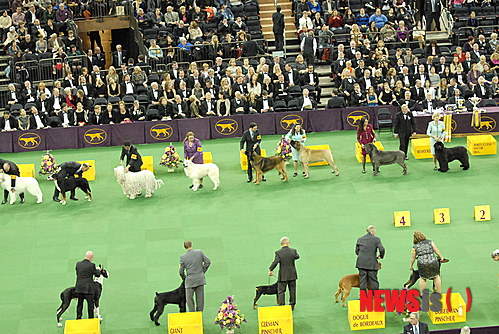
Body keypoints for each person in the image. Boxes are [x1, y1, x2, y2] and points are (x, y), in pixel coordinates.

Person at [268, 237, 300, 310]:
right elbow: (297, 256)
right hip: (292, 274)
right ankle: (292, 305)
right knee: (292, 290)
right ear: (288, 243)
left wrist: (270, 269)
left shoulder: (278, 253)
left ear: (281, 244)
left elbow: (275, 262)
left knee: (281, 291)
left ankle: (282, 305)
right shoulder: (293, 251)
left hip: (283, 275)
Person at [179, 240, 211, 312]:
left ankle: (192, 315)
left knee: (189, 300)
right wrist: (202, 271)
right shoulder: (199, 252)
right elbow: (208, 262)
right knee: (200, 300)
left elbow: (181, 271)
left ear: (184, 247)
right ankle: (199, 316)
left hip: (189, 281)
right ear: (191, 245)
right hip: (200, 279)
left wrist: (185, 278)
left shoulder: (182, 257)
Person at [355, 225, 385, 291]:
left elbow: (357, 251)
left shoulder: (360, 239)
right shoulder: (376, 239)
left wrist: (362, 256)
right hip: (372, 263)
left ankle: (363, 297)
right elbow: (382, 249)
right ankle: (376, 296)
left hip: (361, 263)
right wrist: (381, 256)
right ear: (373, 231)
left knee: (362, 281)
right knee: (373, 281)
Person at [75, 251, 101, 319]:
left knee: (80, 304)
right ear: (91, 258)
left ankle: (78, 317)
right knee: (90, 305)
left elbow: (77, 273)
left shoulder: (78, 264)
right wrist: (98, 270)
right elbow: (97, 274)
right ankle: (91, 319)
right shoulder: (92, 265)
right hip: (88, 288)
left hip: (79, 287)